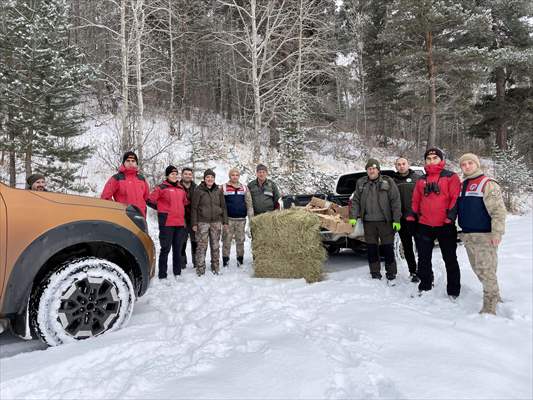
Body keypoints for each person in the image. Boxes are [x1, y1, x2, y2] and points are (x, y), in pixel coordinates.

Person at [407, 148, 461, 299]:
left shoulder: (451, 177)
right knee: (423, 259)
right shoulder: (421, 179)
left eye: (434, 158)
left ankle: (453, 290)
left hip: (445, 226)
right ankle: (425, 284)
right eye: (428, 158)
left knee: (449, 259)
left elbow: (455, 198)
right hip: (424, 225)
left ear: (441, 160)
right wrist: (411, 217)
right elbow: (416, 200)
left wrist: (449, 218)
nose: (431, 161)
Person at [457, 153, 506, 314]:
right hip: (468, 236)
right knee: (479, 270)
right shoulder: (463, 185)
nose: (467, 166)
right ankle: (495, 295)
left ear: (477, 164)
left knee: (486, 271)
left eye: (470, 163)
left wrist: (497, 233)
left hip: (485, 236)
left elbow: (498, 211)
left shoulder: (487, 184)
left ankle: (490, 306)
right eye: (464, 164)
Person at [349, 159, 402, 282]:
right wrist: (353, 217)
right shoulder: (361, 183)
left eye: (374, 168)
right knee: (372, 248)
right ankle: (375, 272)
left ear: (378, 170)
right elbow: (356, 200)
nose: (371, 171)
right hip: (368, 222)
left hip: (385, 222)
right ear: (367, 170)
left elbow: (395, 201)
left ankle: (391, 272)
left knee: (388, 248)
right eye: (369, 169)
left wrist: (396, 219)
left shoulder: (388, 181)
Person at [147, 166, 189, 281]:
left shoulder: (181, 189)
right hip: (167, 223)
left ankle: (177, 272)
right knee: (165, 249)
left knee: (178, 248)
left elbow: (185, 202)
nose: (174, 176)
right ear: (167, 175)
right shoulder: (161, 188)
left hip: (179, 223)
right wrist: (161, 209)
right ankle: (162, 275)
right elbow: (149, 200)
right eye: (172, 174)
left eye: (176, 174)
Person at [191, 169, 228, 276]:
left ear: (214, 179)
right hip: (202, 222)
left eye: (212, 177)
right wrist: (194, 223)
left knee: (215, 246)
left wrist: (225, 222)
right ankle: (200, 268)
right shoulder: (198, 191)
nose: (210, 179)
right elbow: (194, 208)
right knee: (202, 246)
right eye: (208, 177)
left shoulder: (218, 190)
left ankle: (215, 267)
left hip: (216, 222)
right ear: (204, 179)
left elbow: (224, 207)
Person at [393, 157, 421, 282]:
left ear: (408, 164)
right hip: (402, 220)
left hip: (417, 219)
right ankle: (413, 271)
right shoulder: (393, 181)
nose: (401, 166)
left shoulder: (417, 178)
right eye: (399, 164)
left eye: (403, 163)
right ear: (396, 166)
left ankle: (423, 270)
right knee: (407, 247)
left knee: (421, 247)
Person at [221, 168, 254, 267]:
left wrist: (251, 220)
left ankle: (240, 260)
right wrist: (223, 220)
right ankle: (225, 261)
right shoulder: (224, 188)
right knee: (226, 241)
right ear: (229, 176)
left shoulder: (244, 188)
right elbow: (220, 205)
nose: (235, 176)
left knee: (240, 241)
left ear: (239, 176)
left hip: (241, 220)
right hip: (229, 220)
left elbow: (249, 204)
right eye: (233, 175)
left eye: (236, 175)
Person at [101, 151, 150, 217]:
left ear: (136, 163)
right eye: (128, 161)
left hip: (141, 218)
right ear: (124, 163)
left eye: (133, 161)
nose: (130, 163)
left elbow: (147, 198)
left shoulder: (141, 179)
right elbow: (105, 197)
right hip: (124, 219)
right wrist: (116, 209)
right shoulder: (117, 178)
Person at [179, 167, 198, 269]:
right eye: (185, 174)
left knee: (195, 241)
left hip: (193, 218)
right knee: (182, 242)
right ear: (182, 175)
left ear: (192, 176)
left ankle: (195, 262)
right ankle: (182, 263)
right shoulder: (177, 187)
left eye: (189, 174)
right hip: (181, 218)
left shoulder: (196, 188)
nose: (188, 176)